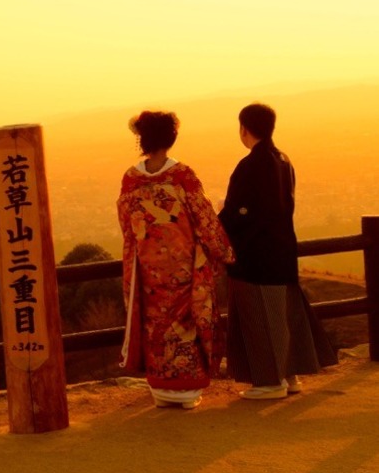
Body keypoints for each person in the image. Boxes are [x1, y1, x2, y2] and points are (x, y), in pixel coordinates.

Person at [219, 102, 337, 399]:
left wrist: (221, 216)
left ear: (243, 129)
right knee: (284, 317)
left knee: (260, 318)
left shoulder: (251, 164)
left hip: (256, 257)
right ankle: (290, 375)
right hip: (282, 251)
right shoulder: (283, 159)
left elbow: (241, 213)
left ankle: (270, 382)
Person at [117, 111, 234, 409]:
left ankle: (161, 387)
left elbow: (127, 227)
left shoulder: (131, 179)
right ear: (171, 138)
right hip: (183, 268)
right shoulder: (182, 176)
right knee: (185, 323)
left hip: (148, 270)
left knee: (155, 326)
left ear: (142, 139)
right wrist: (224, 251)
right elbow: (204, 218)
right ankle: (187, 390)